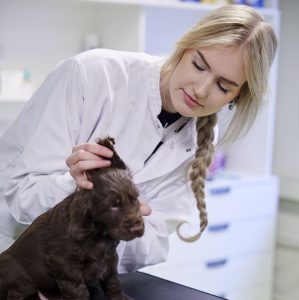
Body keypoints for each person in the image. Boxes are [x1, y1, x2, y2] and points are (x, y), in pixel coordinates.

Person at [0, 4, 277, 275]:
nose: (202, 90)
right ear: (184, 47)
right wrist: (75, 190)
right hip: (17, 256)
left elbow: (154, 240)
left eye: (223, 86)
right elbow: (21, 195)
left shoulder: (202, 137)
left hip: (88, 274)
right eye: (198, 65)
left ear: (237, 97)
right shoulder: (92, 74)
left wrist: (115, 228)